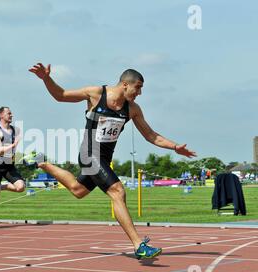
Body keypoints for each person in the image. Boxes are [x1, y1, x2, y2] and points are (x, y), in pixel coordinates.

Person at [27, 63, 197, 259]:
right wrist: (46, 78)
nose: (140, 93)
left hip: (104, 159)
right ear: (125, 84)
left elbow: (150, 135)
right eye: (138, 87)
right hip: (89, 154)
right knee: (118, 191)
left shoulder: (132, 109)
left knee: (78, 190)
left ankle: (43, 163)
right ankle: (138, 245)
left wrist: (175, 147)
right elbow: (61, 95)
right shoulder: (96, 93)